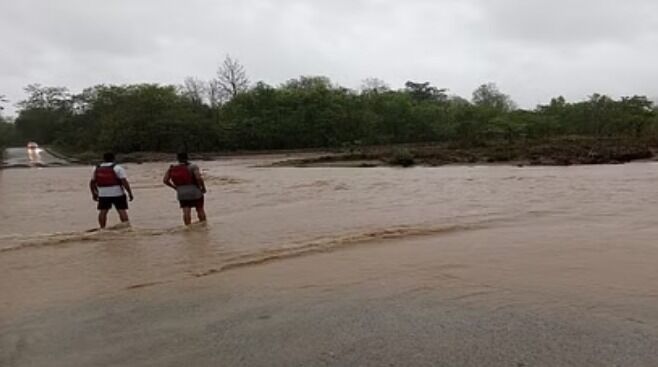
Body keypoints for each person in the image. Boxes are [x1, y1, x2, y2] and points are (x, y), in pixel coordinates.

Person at [89, 152, 134, 229]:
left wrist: (94, 193)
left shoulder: (96, 168)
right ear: (113, 158)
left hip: (103, 194)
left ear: (103, 159)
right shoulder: (118, 168)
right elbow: (124, 182)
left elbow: (92, 183)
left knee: (103, 211)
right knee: (121, 210)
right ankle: (127, 228)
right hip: (117, 193)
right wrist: (130, 193)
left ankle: (102, 227)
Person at [163, 152, 207, 225]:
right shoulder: (193, 166)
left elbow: (165, 180)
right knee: (200, 209)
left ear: (178, 159)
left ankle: (187, 227)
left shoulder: (172, 168)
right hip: (195, 191)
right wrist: (202, 188)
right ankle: (203, 226)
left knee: (186, 211)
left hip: (181, 193)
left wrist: (175, 187)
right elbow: (198, 178)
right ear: (187, 158)